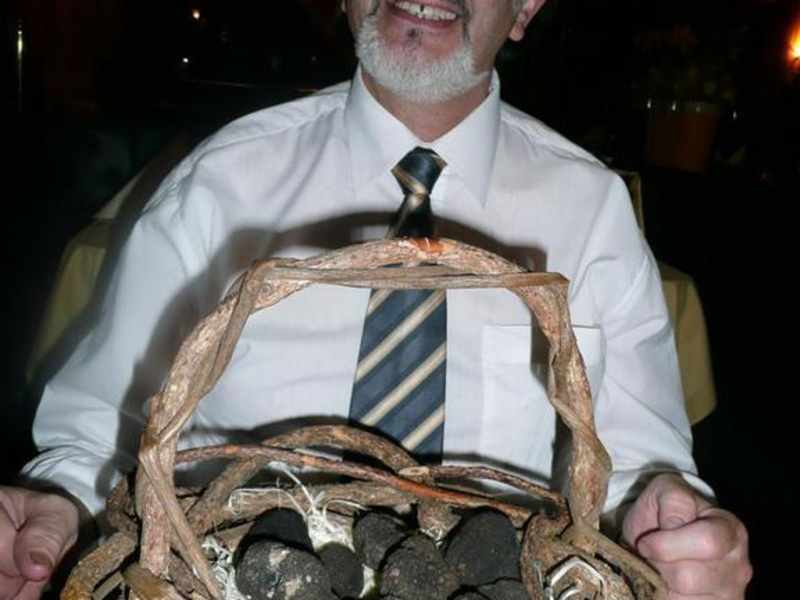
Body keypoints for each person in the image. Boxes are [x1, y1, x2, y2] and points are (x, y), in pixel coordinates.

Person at [1, 1, 751, 598]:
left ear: (526, 8)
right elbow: (100, 432)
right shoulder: (219, 183)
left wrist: (669, 526)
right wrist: (60, 506)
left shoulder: (591, 210)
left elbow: (638, 466)